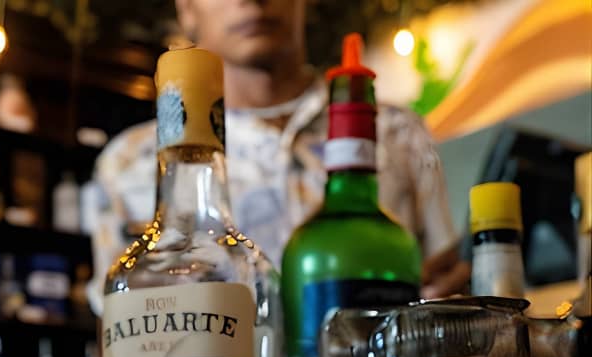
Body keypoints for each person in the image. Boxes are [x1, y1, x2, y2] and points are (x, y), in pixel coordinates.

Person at [86, 0, 469, 317]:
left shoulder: (395, 133)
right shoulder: (130, 163)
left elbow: (446, 283)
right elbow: (118, 337)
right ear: (186, 9)